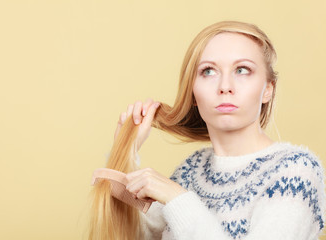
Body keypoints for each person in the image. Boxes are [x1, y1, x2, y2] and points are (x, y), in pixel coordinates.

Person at [113, 21, 325, 239]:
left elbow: (179, 206)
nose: (225, 86)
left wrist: (178, 199)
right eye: (209, 71)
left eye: (242, 70)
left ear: (267, 90)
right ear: (193, 93)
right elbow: (134, 231)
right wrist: (124, 151)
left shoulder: (296, 172)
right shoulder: (191, 171)